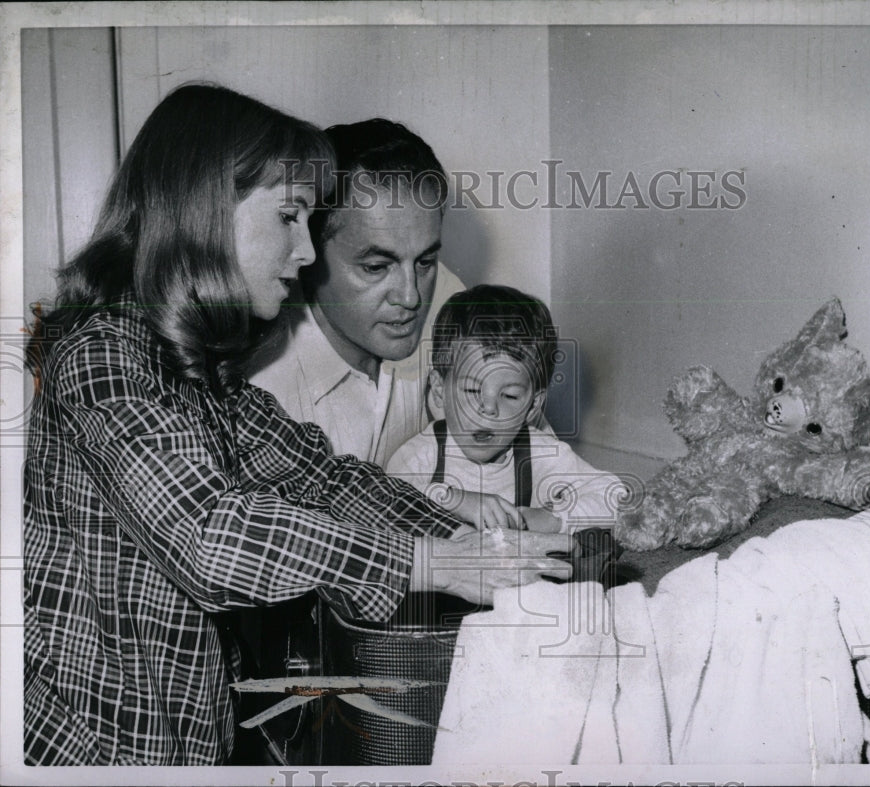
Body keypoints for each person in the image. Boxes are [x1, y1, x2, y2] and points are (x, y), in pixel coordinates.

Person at [21, 84, 569, 766]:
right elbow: (210, 535)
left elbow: (325, 479)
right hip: (85, 753)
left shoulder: (202, 377)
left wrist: (475, 541)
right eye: (289, 217)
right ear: (207, 214)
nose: (306, 252)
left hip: (181, 747)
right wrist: (429, 562)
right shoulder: (101, 354)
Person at [247, 118, 466, 468]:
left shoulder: (452, 304)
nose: (411, 298)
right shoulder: (259, 382)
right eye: (376, 267)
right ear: (309, 254)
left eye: (425, 262)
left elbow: (533, 457)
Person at [387, 285, 624, 533]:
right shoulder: (422, 456)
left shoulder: (538, 452)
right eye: (471, 390)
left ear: (532, 406)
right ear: (438, 391)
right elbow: (385, 499)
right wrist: (456, 500)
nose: (488, 409)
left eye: (509, 396)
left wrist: (554, 519)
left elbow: (615, 496)